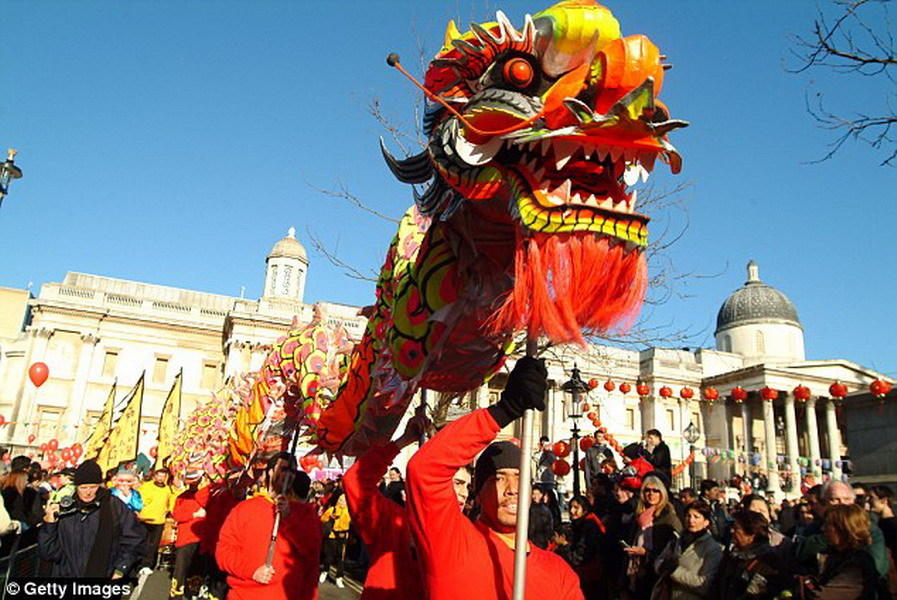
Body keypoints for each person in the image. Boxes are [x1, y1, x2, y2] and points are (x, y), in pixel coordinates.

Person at [406, 356, 584, 600]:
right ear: (479, 493)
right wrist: (504, 410)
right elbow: (424, 469)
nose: (512, 489)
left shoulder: (560, 572)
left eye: (520, 478)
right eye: (500, 478)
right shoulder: (452, 542)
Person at [344, 412, 472, 600]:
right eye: (458, 483)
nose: (464, 493)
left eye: (468, 486)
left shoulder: (469, 537)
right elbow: (355, 481)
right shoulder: (393, 522)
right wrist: (402, 441)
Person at [216, 452, 321, 600]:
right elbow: (224, 551)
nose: (288, 475)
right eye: (283, 469)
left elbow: (311, 556)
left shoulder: (305, 513)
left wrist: (289, 518)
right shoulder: (245, 509)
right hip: (244, 594)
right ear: (270, 472)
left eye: (292, 471)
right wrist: (251, 571)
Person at [38, 460, 145, 577]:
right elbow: (49, 551)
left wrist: (121, 569)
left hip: (104, 576)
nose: (88, 492)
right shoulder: (67, 509)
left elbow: (134, 540)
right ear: (76, 486)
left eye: (92, 487)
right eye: (83, 488)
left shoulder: (114, 507)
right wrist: (49, 524)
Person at [795, 480, 890, 580]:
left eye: (846, 499)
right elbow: (799, 557)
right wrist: (828, 536)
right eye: (835, 499)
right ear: (824, 503)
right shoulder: (815, 529)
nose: (842, 504)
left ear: (853, 501)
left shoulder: (868, 528)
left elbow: (877, 567)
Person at [799, 503, 886, 599]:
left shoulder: (857, 562)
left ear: (842, 529)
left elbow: (826, 596)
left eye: (828, 525)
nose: (823, 529)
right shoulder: (837, 555)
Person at [624, 474, 683, 599]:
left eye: (655, 490)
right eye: (647, 490)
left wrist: (646, 552)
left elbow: (675, 549)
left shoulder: (668, 517)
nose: (651, 494)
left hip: (657, 575)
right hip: (637, 571)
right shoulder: (639, 516)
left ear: (662, 493)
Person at [652, 499, 723, 600]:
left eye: (696, 517)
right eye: (688, 516)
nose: (691, 520)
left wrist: (675, 571)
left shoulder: (713, 548)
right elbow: (660, 560)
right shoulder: (677, 539)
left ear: (706, 522)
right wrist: (661, 566)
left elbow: (704, 585)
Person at [712, 510, 787, 600]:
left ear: (752, 533)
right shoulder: (732, 556)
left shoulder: (768, 561)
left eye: (736, 528)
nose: (731, 531)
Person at [170, 469, 208, 599]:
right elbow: (177, 515)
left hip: (201, 538)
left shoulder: (206, 496)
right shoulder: (182, 497)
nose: (194, 485)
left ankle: (192, 592)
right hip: (185, 539)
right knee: (180, 570)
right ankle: (176, 595)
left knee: (197, 569)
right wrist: (194, 515)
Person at [562, 495, 606, 600]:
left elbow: (578, 557)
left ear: (585, 510)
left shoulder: (589, 527)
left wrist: (564, 545)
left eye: (576, 508)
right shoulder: (579, 525)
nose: (572, 511)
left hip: (588, 578)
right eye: (570, 507)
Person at [137, 467, 177, 576]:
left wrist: (168, 510)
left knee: (153, 545)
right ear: (155, 476)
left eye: (163, 476)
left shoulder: (167, 489)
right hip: (144, 518)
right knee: (142, 542)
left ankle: (147, 564)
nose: (160, 478)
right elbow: (140, 499)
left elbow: (171, 502)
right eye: (159, 475)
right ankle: (138, 563)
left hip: (158, 520)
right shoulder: (146, 486)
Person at [740, 494, 792, 565]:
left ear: (769, 516)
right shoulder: (735, 537)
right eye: (754, 511)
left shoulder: (782, 542)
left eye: (762, 511)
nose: (758, 515)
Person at [319, 491, 351, 588]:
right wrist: (329, 517)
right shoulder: (332, 509)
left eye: (344, 501)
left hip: (342, 537)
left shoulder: (349, 511)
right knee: (329, 556)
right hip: (332, 535)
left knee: (340, 558)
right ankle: (325, 571)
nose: (341, 502)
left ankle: (339, 577)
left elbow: (350, 524)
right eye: (340, 500)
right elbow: (322, 519)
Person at [869, 485, 897, 559]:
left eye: (872, 498)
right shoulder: (881, 522)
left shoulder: (892, 525)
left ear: (883, 500)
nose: (869, 501)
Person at [529, 484, 555, 550]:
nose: (535, 496)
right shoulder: (527, 508)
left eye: (538, 494)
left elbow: (549, 526)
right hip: (529, 541)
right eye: (533, 494)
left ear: (541, 495)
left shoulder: (546, 510)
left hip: (542, 542)